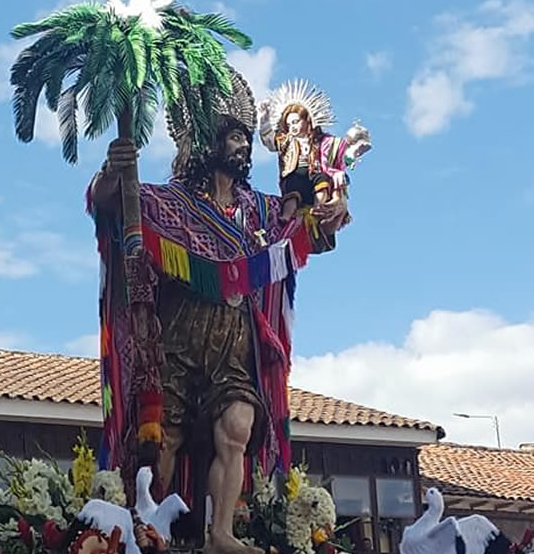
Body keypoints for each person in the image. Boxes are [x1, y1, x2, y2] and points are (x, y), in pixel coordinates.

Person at [89, 114, 348, 554]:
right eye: (232, 137)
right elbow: (111, 205)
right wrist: (112, 173)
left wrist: (332, 211)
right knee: (163, 436)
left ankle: (222, 532)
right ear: (208, 145)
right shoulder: (168, 201)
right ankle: (151, 528)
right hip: (177, 335)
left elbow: (305, 232)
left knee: (237, 427)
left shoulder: (262, 210)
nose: (242, 147)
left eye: (246, 140)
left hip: (235, 337)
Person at [259, 80, 371, 221]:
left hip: (314, 173)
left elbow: (338, 155)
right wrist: (264, 119)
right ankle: (286, 216)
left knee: (322, 179)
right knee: (294, 186)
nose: (292, 127)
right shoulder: (286, 141)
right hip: (294, 174)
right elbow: (269, 142)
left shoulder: (322, 141)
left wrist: (353, 151)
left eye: (295, 122)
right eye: (289, 124)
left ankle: (319, 208)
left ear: (307, 121)